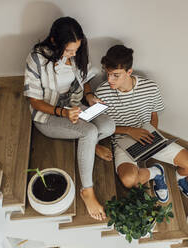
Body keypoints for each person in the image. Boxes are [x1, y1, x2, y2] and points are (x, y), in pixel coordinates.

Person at [23, 17, 115, 220]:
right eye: (69, 50)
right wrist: (62, 113)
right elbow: (34, 101)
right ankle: (87, 191)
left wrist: (89, 96)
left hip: (72, 104)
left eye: (77, 50)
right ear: (55, 41)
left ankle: (88, 145)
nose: (74, 54)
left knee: (108, 125)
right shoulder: (37, 58)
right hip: (48, 114)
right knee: (89, 131)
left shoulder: (77, 53)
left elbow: (85, 78)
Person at [95, 45, 188, 202]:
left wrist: (153, 135)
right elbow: (96, 125)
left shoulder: (150, 87)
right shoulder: (101, 93)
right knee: (129, 180)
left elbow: (154, 115)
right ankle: (156, 172)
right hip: (121, 140)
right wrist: (128, 131)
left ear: (129, 72)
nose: (110, 79)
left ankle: (178, 179)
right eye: (108, 74)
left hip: (148, 137)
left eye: (116, 75)